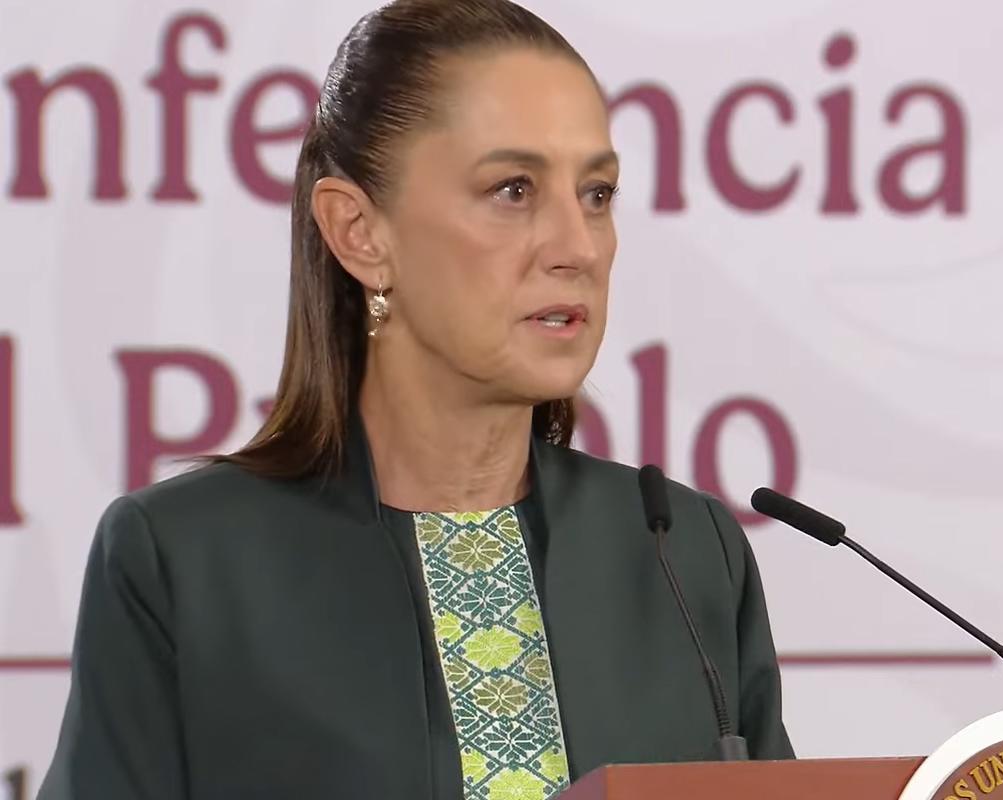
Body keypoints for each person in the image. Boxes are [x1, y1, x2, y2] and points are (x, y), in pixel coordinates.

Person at [37, 1, 793, 798]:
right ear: (359, 232)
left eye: (597, 193)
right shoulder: (185, 561)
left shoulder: (683, 551)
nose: (578, 247)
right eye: (513, 189)